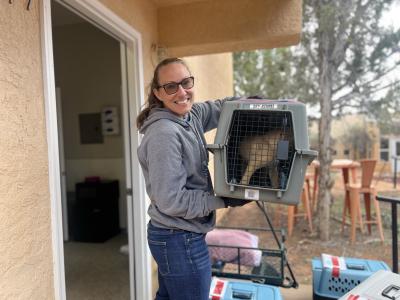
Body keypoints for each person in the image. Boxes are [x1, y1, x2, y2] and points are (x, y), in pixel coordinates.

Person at [136, 57, 249, 300]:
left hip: (176, 235)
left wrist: (249, 102)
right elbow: (172, 201)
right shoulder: (164, 135)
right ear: (158, 93)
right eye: (171, 87)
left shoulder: (190, 115)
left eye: (186, 82)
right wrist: (224, 200)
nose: (182, 92)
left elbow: (219, 107)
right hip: (178, 238)